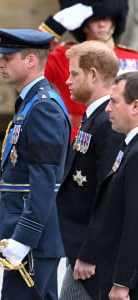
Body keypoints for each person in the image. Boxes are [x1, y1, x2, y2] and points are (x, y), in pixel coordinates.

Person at [0, 28, 71, 300]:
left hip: (33, 239)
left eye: (8, 57)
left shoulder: (43, 107)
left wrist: (25, 237)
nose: (1, 63)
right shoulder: (31, 103)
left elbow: (44, 179)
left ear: (31, 61)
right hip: (25, 233)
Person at [56, 40, 125, 300]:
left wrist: (88, 252)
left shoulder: (107, 122)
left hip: (90, 257)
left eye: (74, 73)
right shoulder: (93, 118)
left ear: (93, 74)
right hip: (79, 249)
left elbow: (107, 194)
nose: (67, 81)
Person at [38, 0, 138, 141]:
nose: (102, 24)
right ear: (83, 25)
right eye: (95, 19)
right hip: (80, 137)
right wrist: (53, 28)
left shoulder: (132, 58)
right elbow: (30, 66)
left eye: (106, 18)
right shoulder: (63, 56)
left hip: (125, 138)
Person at [85, 71, 138, 299]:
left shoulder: (136, 154)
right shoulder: (129, 146)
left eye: (114, 102)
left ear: (135, 106)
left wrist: (122, 282)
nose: (107, 109)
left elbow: (134, 222)